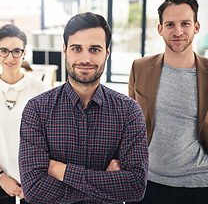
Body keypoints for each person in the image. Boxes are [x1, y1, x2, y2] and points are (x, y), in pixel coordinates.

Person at [18, 12, 148, 203]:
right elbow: (33, 188)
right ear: (65, 50)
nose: (85, 59)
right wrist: (105, 181)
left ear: (107, 53)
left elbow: (135, 186)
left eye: (94, 49)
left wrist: (60, 170)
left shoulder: (129, 111)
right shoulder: (37, 109)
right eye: (77, 48)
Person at [128, 0, 208, 204]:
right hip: (147, 182)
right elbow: (129, 124)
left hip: (200, 185)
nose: (178, 31)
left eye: (185, 24)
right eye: (170, 24)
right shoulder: (140, 67)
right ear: (160, 29)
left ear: (196, 27)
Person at [0, 24, 47, 204]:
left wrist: (35, 177)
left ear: (24, 53)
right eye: (4, 51)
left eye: (16, 51)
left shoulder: (41, 89)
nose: (10, 57)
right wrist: (1, 177)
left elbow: (49, 139)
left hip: (34, 178)